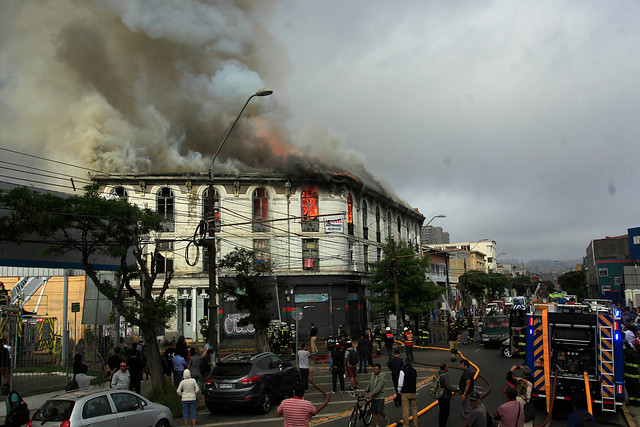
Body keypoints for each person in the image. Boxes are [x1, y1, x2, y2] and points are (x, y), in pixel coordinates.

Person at [437, 363, 459, 427]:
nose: (448, 367)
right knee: (445, 413)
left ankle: (441, 425)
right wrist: (457, 390)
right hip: (445, 396)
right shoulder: (444, 376)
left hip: (440, 395)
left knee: (441, 412)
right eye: (447, 366)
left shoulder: (438, 374)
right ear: (445, 368)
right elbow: (448, 387)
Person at [398, 359, 418, 427]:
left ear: (405, 364)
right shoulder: (414, 371)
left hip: (405, 392)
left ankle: (406, 425)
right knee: (414, 408)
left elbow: (400, 383)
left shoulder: (402, 371)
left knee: (405, 409)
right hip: (413, 391)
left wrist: (399, 391)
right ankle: (415, 424)